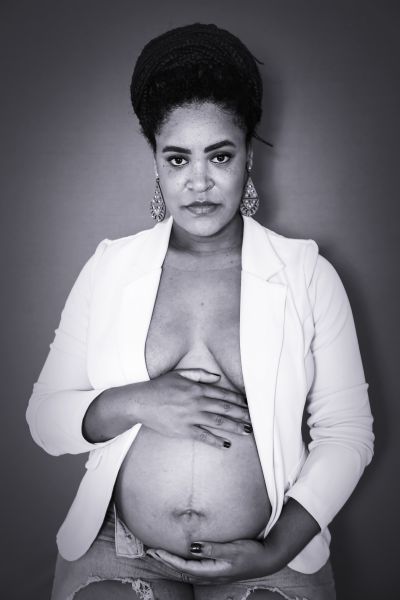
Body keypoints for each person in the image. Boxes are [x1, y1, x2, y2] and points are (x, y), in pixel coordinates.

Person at [26, 23, 374, 600]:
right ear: (156, 164)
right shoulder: (110, 268)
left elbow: (347, 434)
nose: (199, 182)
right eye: (177, 159)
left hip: (269, 550)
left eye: (219, 155)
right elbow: (44, 418)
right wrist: (137, 401)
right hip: (122, 546)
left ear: (247, 157)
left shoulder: (307, 275)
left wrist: (276, 549)